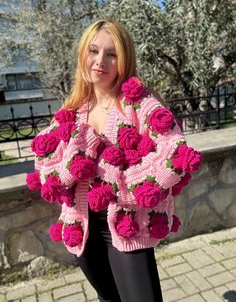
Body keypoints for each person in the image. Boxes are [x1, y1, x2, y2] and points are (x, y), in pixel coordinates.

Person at [26, 19, 202, 302]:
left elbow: (173, 154)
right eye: (93, 51)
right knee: (108, 298)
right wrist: (75, 161)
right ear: (83, 52)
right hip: (83, 227)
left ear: (124, 59)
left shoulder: (139, 103)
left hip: (128, 226)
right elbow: (44, 167)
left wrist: (117, 183)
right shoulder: (74, 109)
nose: (100, 61)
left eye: (112, 54)